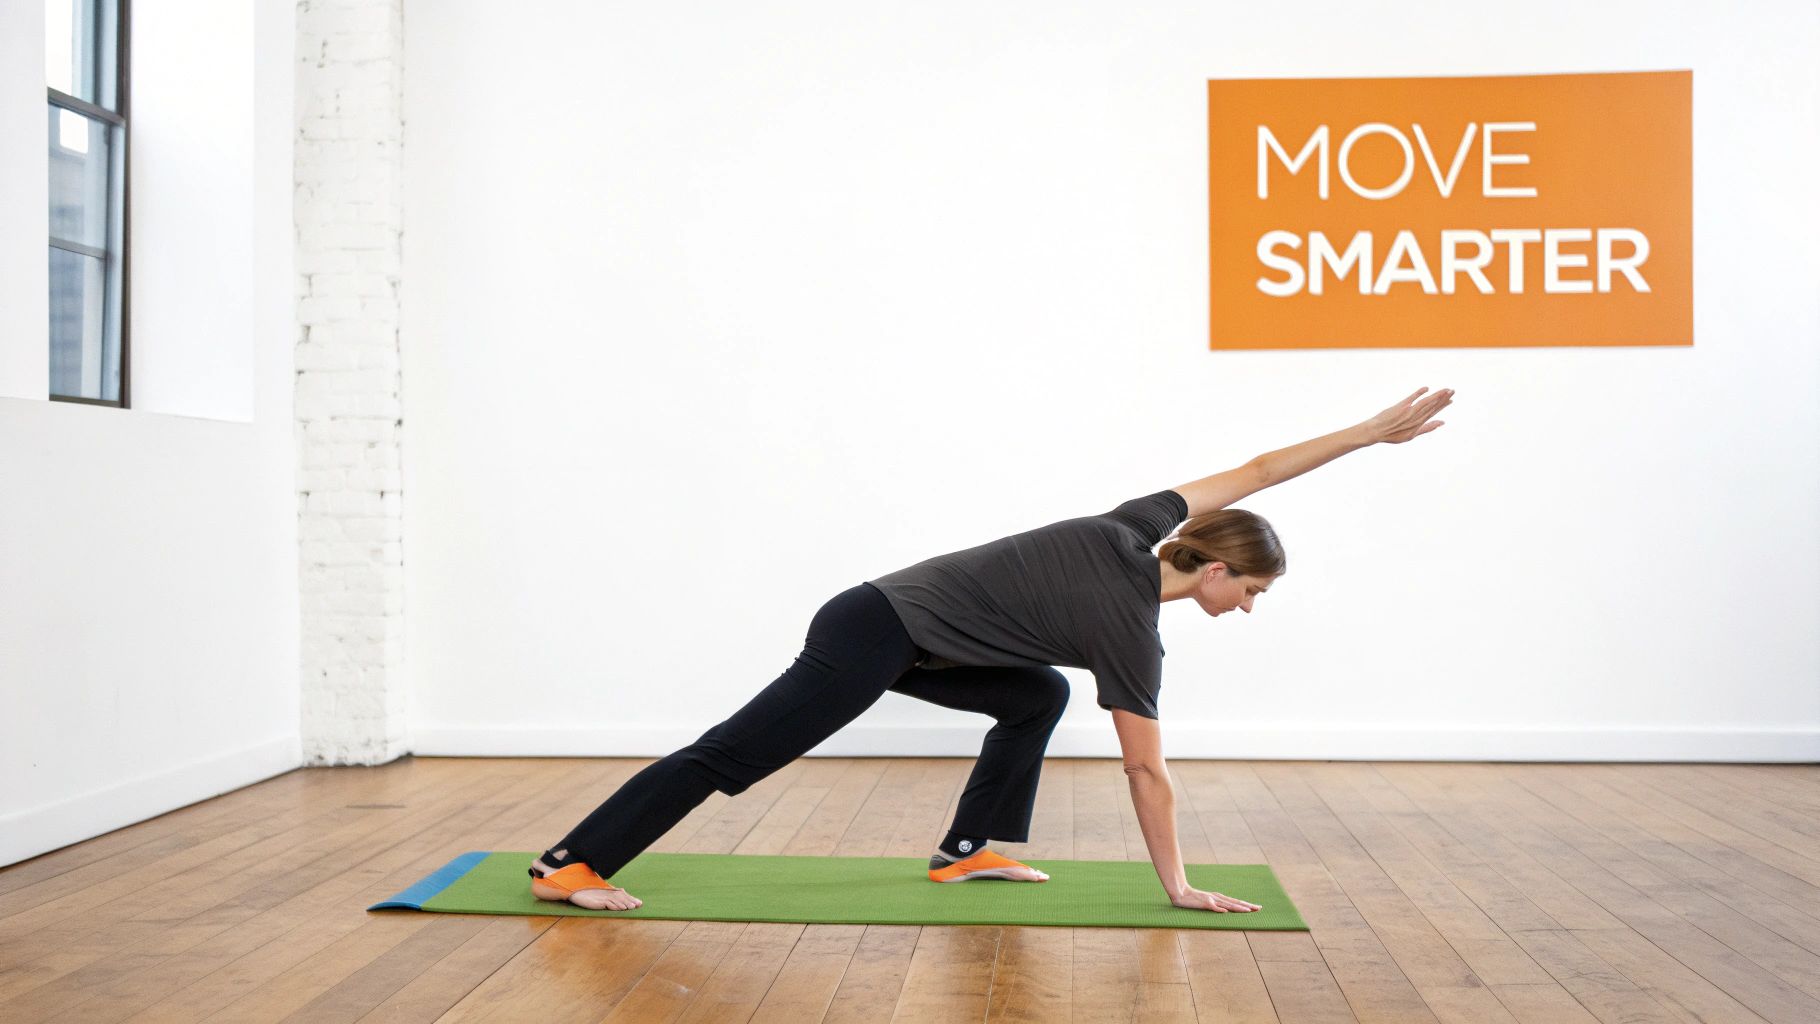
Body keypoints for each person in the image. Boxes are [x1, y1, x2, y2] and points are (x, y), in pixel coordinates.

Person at [528, 387, 1454, 913]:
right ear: (1211, 569)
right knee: (737, 753)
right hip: (875, 627)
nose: (1249, 609)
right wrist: (1177, 885)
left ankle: (970, 847)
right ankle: (572, 862)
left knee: (1034, 695)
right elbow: (1146, 773)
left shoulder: (1139, 527)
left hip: (921, 640)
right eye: (1250, 592)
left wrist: (1367, 436)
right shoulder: (1127, 627)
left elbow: (1252, 473)